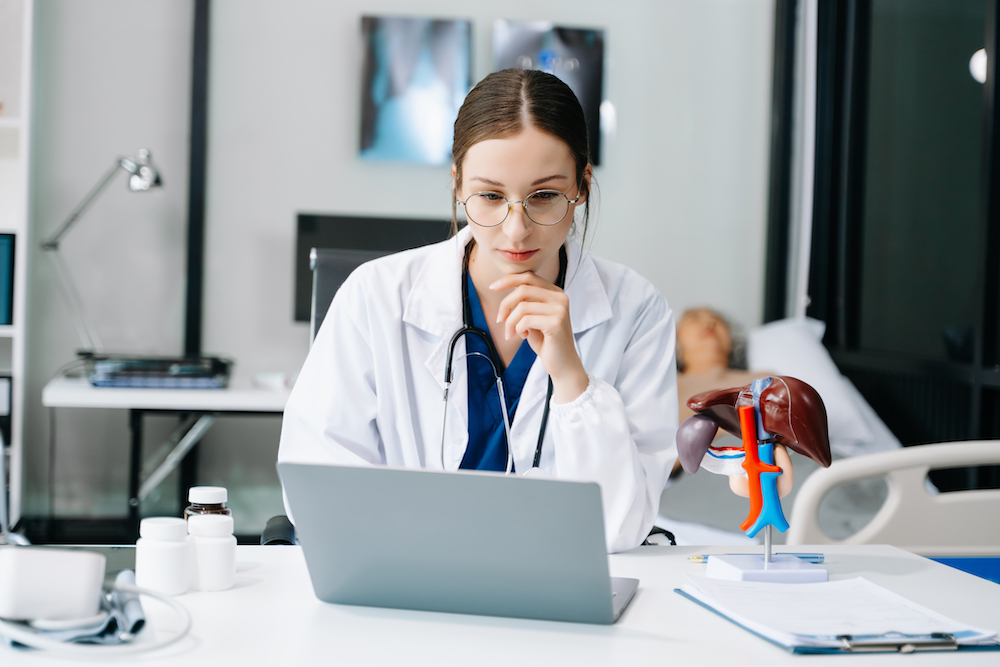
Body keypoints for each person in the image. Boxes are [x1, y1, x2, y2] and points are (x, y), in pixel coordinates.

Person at [277, 69, 678, 553]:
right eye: (490, 196)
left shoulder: (636, 311)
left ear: (583, 186)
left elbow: (620, 526)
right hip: (407, 581)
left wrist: (574, 380)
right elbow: (322, 485)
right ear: (457, 185)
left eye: (545, 196)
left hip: (555, 591)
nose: (516, 230)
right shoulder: (373, 296)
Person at [673, 307, 792, 497]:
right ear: (675, 336)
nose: (709, 323)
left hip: (786, 464)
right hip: (707, 477)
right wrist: (726, 428)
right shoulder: (668, 384)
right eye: (694, 319)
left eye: (718, 320)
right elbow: (655, 461)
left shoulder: (767, 378)